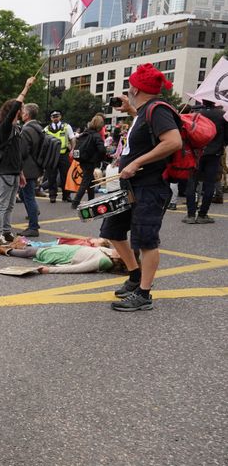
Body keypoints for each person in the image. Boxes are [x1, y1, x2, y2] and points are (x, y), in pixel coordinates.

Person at [102, 63, 183, 312]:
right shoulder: (145, 110)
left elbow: (173, 141)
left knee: (146, 240)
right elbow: (146, 131)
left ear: (135, 87)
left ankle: (144, 294)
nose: (128, 88)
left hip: (149, 186)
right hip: (132, 186)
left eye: (130, 85)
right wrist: (129, 109)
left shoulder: (158, 110)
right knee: (112, 229)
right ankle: (135, 275)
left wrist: (136, 162)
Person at [0, 77, 37, 245]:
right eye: (20, 109)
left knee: (10, 205)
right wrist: (26, 87)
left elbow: (17, 153)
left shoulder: (17, 129)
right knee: (3, 204)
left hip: (14, 171)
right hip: (5, 171)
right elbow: (15, 107)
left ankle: (6, 231)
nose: (22, 110)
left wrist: (21, 172)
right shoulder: (5, 127)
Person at [0, 236, 126, 274]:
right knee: (35, 250)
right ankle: (10, 247)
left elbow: (77, 268)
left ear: (120, 257)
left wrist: (50, 270)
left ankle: (4, 251)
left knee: (32, 252)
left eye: (123, 252)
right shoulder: (109, 252)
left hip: (65, 257)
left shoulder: (104, 261)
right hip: (67, 250)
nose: (120, 249)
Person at [183, 100, 225, 224]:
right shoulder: (222, 115)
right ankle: (203, 214)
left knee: (192, 183)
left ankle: (190, 214)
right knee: (209, 184)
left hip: (197, 152)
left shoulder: (196, 114)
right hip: (214, 152)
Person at [17, 103, 45, 237]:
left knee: (28, 196)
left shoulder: (27, 129)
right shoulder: (38, 127)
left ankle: (33, 226)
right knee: (25, 195)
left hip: (28, 167)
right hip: (35, 166)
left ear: (27, 115)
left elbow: (22, 151)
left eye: (22, 112)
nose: (21, 114)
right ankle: (34, 214)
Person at [72, 114, 108, 207]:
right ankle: (75, 202)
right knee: (85, 182)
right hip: (90, 161)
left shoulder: (85, 133)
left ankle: (91, 200)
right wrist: (99, 158)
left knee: (89, 180)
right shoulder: (96, 136)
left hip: (82, 160)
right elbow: (102, 150)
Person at [44, 110, 76, 203]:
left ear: (60, 117)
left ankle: (66, 195)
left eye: (57, 116)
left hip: (63, 154)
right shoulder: (46, 129)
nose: (55, 118)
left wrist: (72, 149)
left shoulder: (66, 127)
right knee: (51, 176)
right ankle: (52, 195)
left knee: (65, 175)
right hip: (52, 155)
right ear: (51, 118)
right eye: (53, 116)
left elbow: (72, 138)